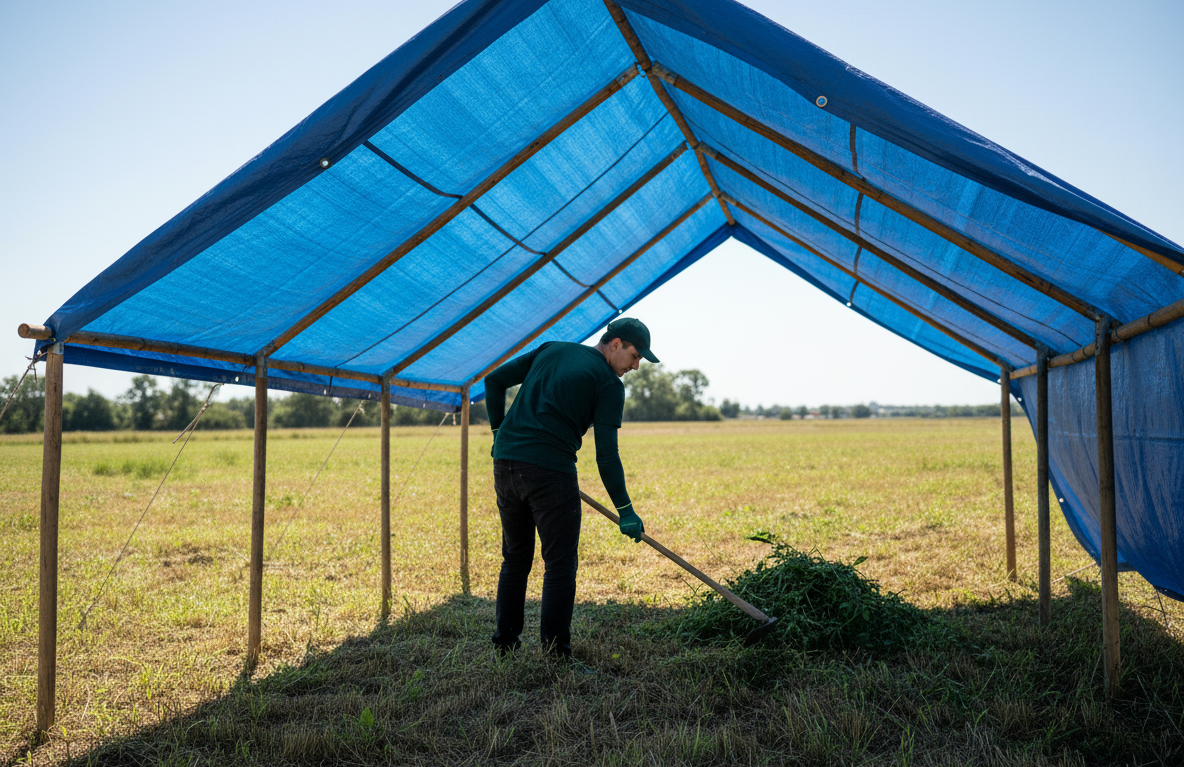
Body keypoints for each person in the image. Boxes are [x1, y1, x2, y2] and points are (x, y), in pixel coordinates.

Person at [484, 317, 656, 661]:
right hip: (550, 471)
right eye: (635, 356)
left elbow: (494, 380)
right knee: (560, 565)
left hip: (506, 464)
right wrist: (625, 510)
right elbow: (606, 456)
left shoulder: (552, 349)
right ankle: (556, 656)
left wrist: (498, 431)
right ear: (616, 343)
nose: (636, 366)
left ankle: (505, 646)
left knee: (515, 558)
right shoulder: (608, 383)